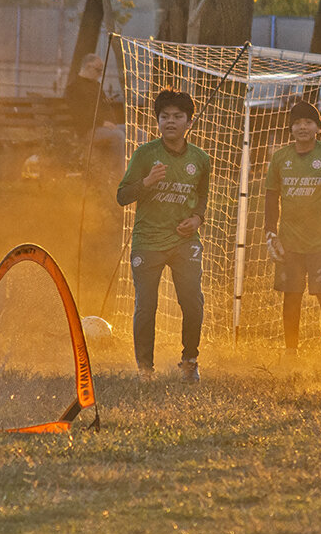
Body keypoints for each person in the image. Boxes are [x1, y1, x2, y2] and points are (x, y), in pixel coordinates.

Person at [117, 88, 211, 383]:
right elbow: (122, 196)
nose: (170, 122)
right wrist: (146, 181)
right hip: (148, 241)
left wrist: (196, 219)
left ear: (189, 122)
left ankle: (189, 361)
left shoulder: (201, 159)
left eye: (177, 117)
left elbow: (203, 198)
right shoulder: (145, 154)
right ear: (157, 121)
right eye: (164, 117)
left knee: (193, 302)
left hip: (184, 242)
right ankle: (145, 369)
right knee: (147, 305)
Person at [263, 101, 321, 360]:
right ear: (291, 128)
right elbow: (271, 196)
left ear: (317, 127)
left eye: (308, 122)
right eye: (297, 123)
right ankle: (291, 351)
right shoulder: (281, 157)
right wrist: (270, 232)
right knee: (291, 297)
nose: (303, 127)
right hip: (288, 243)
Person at [64, 53, 125, 177]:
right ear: (88, 66)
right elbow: (80, 115)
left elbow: (103, 107)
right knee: (118, 135)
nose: (100, 74)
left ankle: (138, 174)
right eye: (98, 70)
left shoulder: (96, 86)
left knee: (137, 132)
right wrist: (102, 122)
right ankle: (119, 177)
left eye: (101, 71)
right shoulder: (74, 88)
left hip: (102, 127)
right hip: (88, 130)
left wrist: (110, 119)